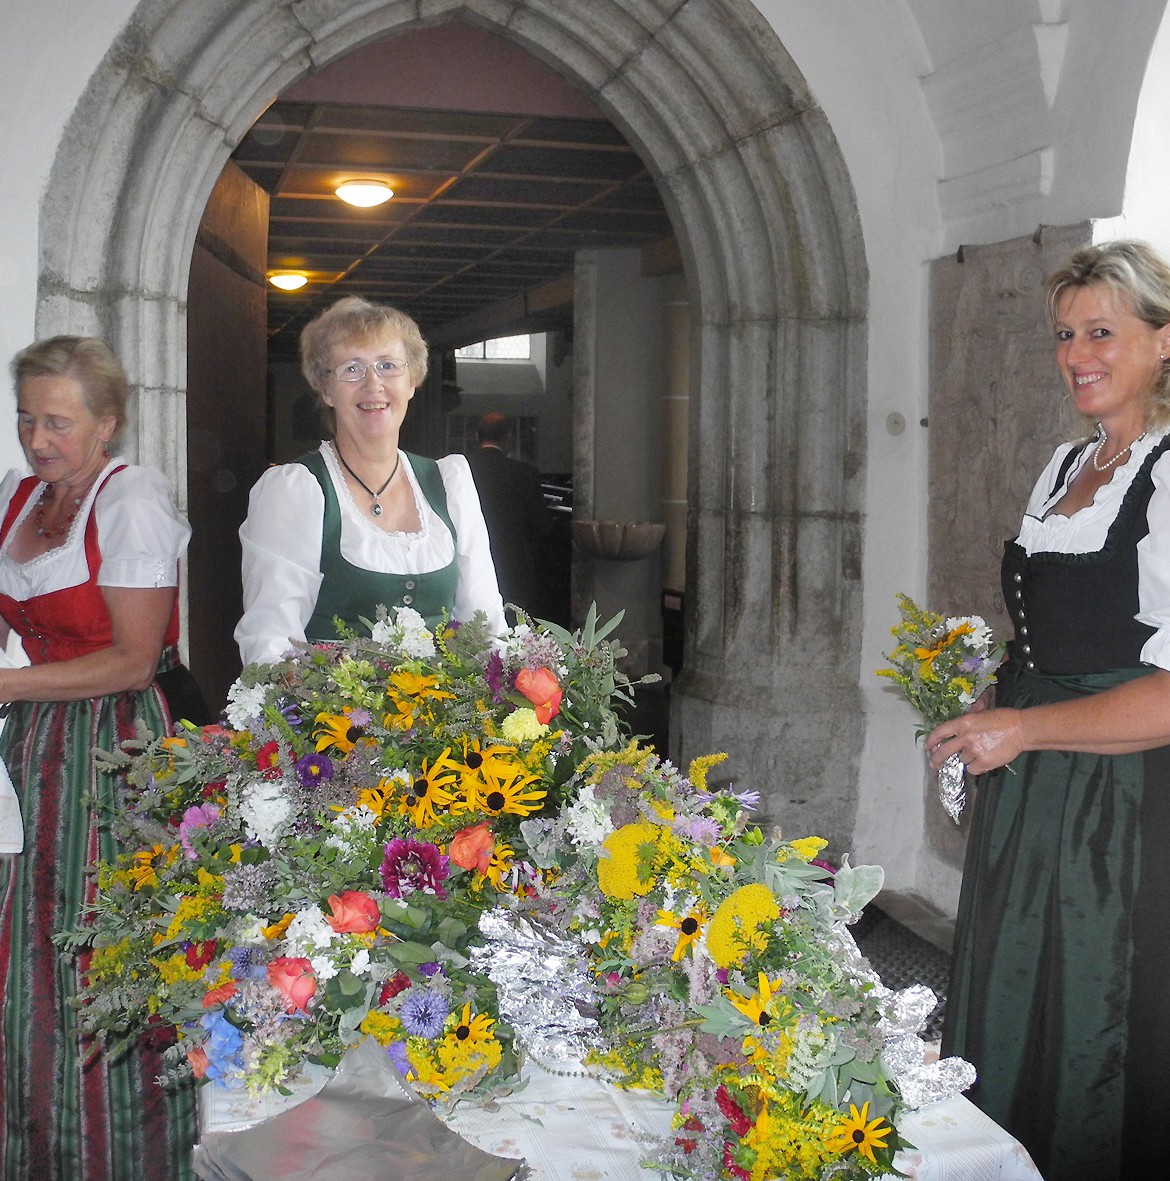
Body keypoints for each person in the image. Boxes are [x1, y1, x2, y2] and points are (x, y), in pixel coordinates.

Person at [926, 240, 1170, 1180]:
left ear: (1162, 342)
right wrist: (990, 708)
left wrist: (1024, 726)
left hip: (1118, 800)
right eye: (1066, 335)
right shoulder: (1067, 463)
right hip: (1036, 790)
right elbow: (1049, 637)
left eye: (1103, 331)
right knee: (1019, 990)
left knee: (1095, 1014)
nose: (1078, 355)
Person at [0, 336, 197, 1180]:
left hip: (118, 748)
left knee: (103, 950)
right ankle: (39, 1149)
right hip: (35, 741)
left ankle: (126, 1155)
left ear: (106, 423)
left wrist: (10, 684)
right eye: (25, 419)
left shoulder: (132, 501)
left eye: (58, 422)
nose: (38, 439)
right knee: (32, 952)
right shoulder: (19, 497)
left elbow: (135, 658)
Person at [235, 298, 505, 665]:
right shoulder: (297, 490)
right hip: (332, 719)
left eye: (388, 366)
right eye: (351, 369)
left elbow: (487, 626)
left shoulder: (449, 483)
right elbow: (271, 640)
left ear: (412, 381)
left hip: (445, 718)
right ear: (326, 390)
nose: (373, 384)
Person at [465, 412, 551, 620]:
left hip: (469, 563)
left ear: (478, 436)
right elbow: (541, 525)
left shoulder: (462, 470)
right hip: (514, 566)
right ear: (509, 437)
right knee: (516, 630)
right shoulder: (525, 473)